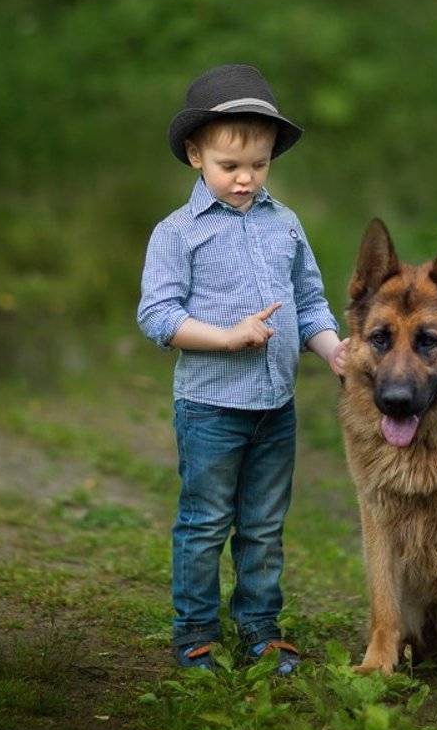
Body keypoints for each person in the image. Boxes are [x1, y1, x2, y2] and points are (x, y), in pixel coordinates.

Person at [137, 63, 346, 674]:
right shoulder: (178, 234)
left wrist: (335, 351)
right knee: (204, 523)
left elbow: (309, 304)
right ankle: (195, 631)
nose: (246, 178)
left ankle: (259, 627)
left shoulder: (285, 225)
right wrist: (227, 338)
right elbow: (157, 316)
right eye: (231, 166)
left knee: (262, 525)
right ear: (196, 155)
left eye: (259, 163)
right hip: (210, 408)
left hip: (275, 408)